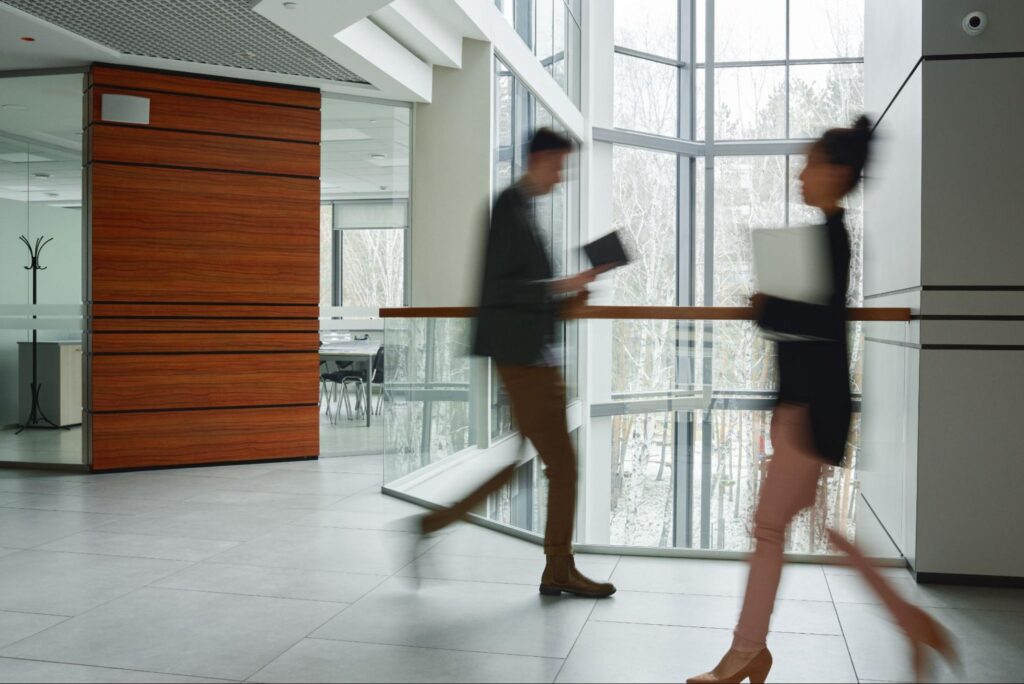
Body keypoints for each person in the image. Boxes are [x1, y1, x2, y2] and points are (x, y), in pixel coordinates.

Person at [688, 117, 958, 683]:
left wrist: (765, 306)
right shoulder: (828, 234)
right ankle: (913, 624)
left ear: (836, 174)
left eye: (810, 165)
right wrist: (773, 309)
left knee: (768, 528)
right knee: (812, 528)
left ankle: (746, 652)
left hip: (809, 409)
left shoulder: (832, 236)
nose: (801, 175)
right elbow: (816, 322)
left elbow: (823, 321)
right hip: (809, 405)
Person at [417, 128, 615, 599]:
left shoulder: (523, 210)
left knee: (525, 462)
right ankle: (557, 568)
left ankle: (433, 524)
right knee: (563, 467)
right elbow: (500, 291)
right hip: (523, 360)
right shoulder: (509, 207)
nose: (561, 177)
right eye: (559, 166)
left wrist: (568, 295)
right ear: (540, 158)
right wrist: (563, 286)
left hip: (532, 356)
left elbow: (526, 294)